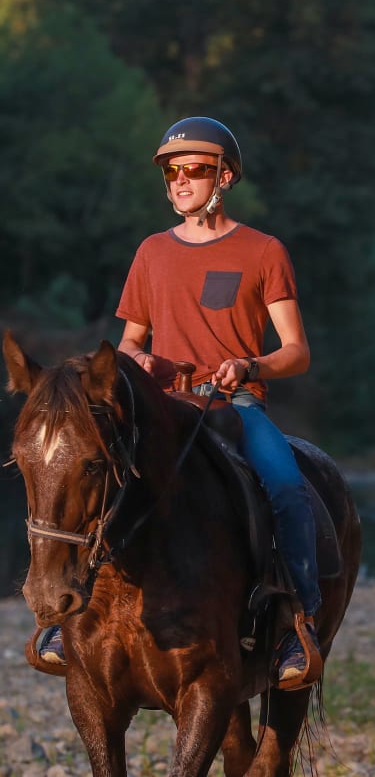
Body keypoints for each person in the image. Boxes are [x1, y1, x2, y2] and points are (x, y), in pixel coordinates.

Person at [40, 116, 322, 689]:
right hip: (161, 408)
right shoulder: (150, 253)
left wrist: (251, 365)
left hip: (235, 404)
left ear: (226, 176)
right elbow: (129, 343)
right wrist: (136, 362)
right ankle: (62, 619)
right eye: (172, 172)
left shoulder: (263, 251)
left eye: (193, 170)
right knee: (86, 477)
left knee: (289, 487)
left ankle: (297, 621)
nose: (180, 181)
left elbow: (296, 352)